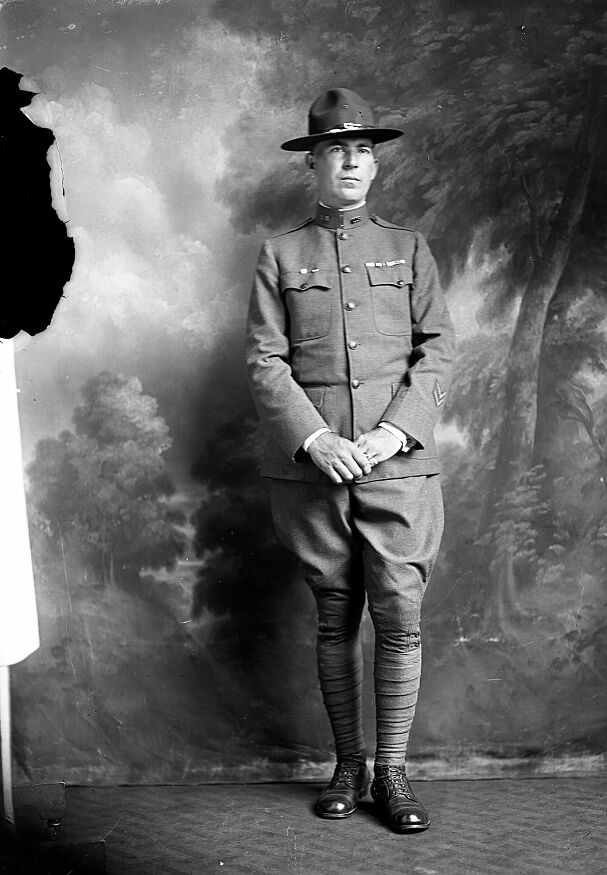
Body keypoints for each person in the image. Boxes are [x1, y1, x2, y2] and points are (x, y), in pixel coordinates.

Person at [245, 88, 454, 833]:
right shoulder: (280, 253)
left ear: (376, 164)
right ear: (314, 164)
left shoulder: (411, 248)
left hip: (397, 468)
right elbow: (266, 361)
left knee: (399, 616)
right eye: (337, 149)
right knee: (335, 617)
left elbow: (437, 353)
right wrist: (316, 437)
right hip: (315, 471)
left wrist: (398, 432)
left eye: (364, 150)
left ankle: (392, 772)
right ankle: (348, 764)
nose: (352, 162)